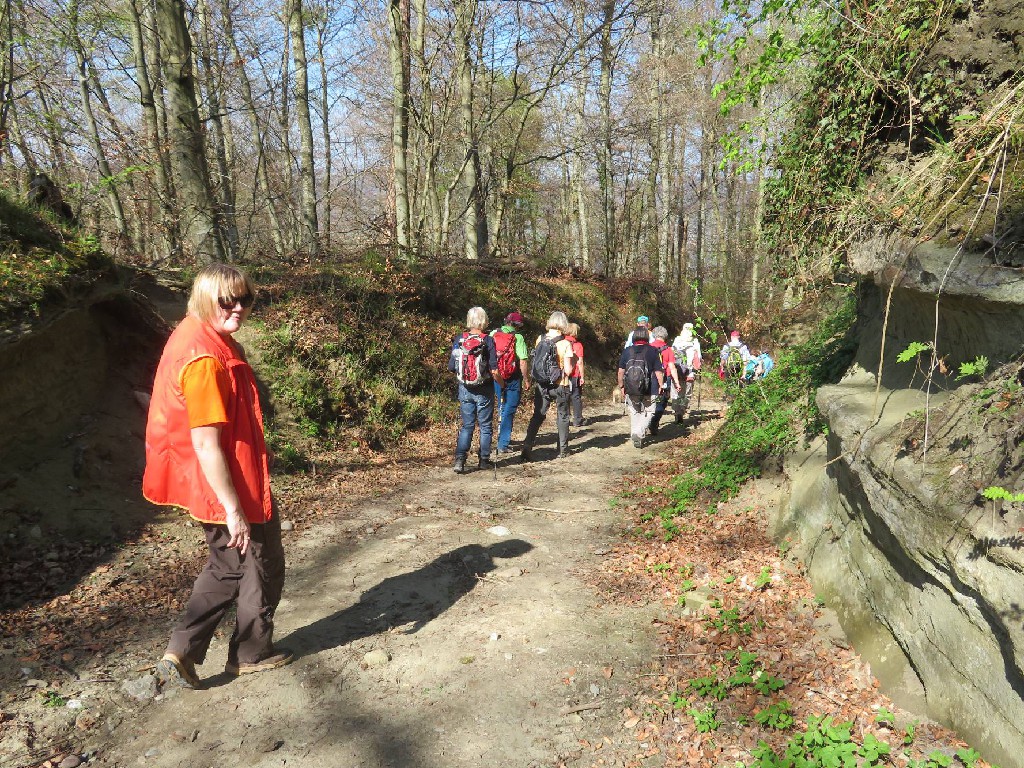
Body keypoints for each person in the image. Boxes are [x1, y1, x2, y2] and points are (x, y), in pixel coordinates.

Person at [143, 263, 292, 689]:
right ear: (206, 299)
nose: (240, 308)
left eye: (247, 299)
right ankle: (248, 653)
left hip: (221, 477)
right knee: (259, 563)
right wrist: (233, 509)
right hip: (229, 483)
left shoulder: (197, 335)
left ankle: (181, 655)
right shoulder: (205, 357)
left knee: (227, 563)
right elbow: (206, 443)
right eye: (229, 300)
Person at [448, 306, 502, 473]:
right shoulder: (488, 340)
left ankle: (459, 460)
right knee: (485, 426)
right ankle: (484, 460)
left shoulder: (460, 339)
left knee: (467, 425)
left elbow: (451, 367)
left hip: (464, 388)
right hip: (484, 389)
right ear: (484, 321)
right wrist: (502, 384)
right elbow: (494, 369)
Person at [521, 311, 576, 461]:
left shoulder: (540, 339)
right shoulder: (565, 343)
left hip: (541, 384)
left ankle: (527, 444)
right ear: (564, 324)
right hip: (560, 385)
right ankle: (563, 450)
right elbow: (569, 370)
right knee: (563, 416)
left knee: (538, 415)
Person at [490, 311, 530, 456]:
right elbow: (523, 361)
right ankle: (503, 443)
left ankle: (501, 439)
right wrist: (526, 379)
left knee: (501, 406)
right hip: (512, 377)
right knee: (510, 408)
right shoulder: (518, 337)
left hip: (496, 376)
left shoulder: (494, 333)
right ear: (517, 325)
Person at [617, 325, 664, 448]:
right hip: (650, 387)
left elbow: (621, 371)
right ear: (647, 337)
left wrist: (621, 386)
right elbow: (658, 371)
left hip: (630, 387)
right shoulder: (653, 351)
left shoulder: (627, 351)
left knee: (634, 411)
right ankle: (639, 432)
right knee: (649, 411)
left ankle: (635, 433)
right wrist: (661, 384)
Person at [649, 326, 683, 436]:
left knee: (647, 400)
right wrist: (677, 383)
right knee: (662, 401)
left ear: (654, 335)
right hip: (664, 378)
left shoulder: (648, 347)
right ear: (665, 336)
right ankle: (654, 422)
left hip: (649, 377)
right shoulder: (668, 350)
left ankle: (646, 421)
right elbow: (672, 367)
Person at [672, 322, 702, 418]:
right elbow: (699, 357)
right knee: (687, 393)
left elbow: (672, 355)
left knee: (676, 392)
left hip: (676, 371)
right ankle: (682, 409)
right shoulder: (695, 341)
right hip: (690, 372)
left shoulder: (677, 340)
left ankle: (676, 411)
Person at [565, 322, 585, 427]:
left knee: (565, 396)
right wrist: (582, 376)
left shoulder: (561, 342)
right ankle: (577, 420)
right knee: (576, 396)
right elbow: (580, 362)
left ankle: (565, 419)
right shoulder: (578, 345)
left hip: (563, 374)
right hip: (574, 374)